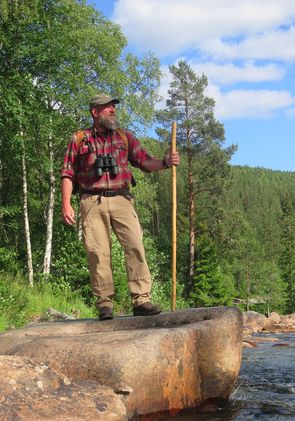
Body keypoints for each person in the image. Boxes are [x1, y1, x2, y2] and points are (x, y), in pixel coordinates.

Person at [61, 93, 180, 320]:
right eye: (108, 107)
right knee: (97, 252)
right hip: (91, 201)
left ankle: (141, 300)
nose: (113, 110)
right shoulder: (79, 139)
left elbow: (145, 161)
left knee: (135, 245)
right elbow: (67, 173)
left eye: (114, 107)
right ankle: (104, 304)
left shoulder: (125, 137)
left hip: (122, 199)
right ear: (95, 112)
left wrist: (165, 162)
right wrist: (66, 203)